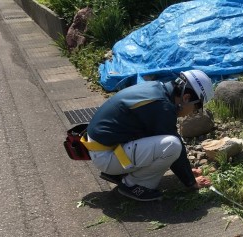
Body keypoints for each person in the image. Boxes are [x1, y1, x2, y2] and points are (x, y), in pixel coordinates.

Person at [84, 70, 214, 201]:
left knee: (166, 141)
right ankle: (133, 185)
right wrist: (191, 182)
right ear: (186, 98)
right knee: (172, 145)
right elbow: (175, 147)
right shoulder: (163, 107)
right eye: (196, 108)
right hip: (106, 156)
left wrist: (187, 171)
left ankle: (120, 174)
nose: (192, 113)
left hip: (104, 147)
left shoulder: (156, 89)